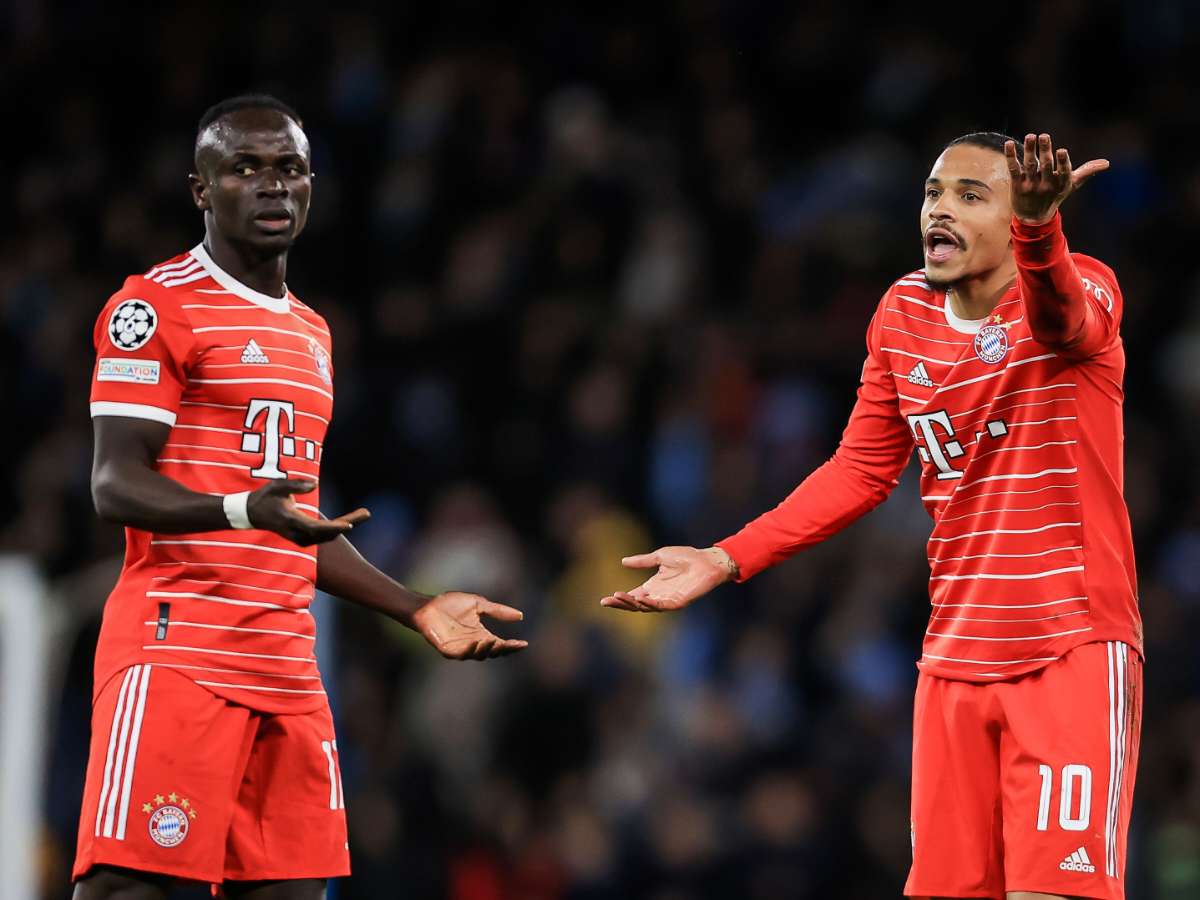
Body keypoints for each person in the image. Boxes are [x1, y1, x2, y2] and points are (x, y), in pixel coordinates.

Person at [603, 132, 1141, 900]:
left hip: (1067, 651)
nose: (940, 211)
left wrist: (1039, 231)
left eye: (970, 194)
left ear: (1020, 212)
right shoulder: (901, 313)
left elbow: (1063, 325)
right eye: (932, 193)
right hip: (952, 663)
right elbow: (860, 469)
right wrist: (726, 557)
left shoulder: (1084, 285)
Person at [73, 94, 528, 900]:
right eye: (244, 168)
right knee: (127, 891)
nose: (271, 185)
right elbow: (114, 482)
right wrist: (241, 510)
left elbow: (302, 521)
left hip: (287, 668)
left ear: (312, 186)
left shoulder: (312, 334)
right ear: (201, 190)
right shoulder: (155, 306)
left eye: (288, 168)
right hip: (178, 654)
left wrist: (414, 606)